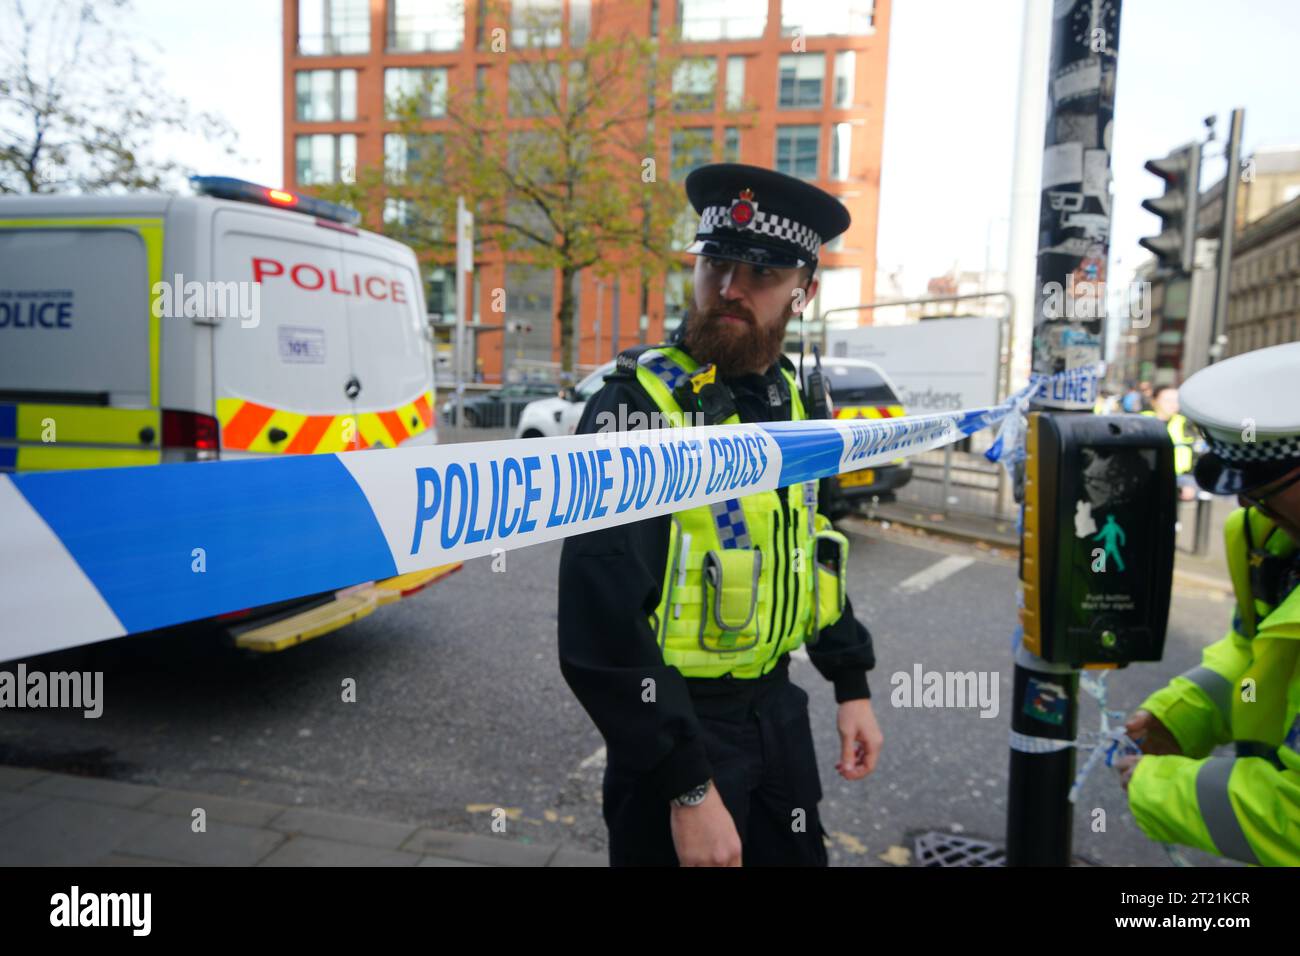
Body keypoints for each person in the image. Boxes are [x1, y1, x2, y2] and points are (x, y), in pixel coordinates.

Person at [557, 163, 882, 867]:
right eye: (716, 267)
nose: (730, 291)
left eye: (760, 275)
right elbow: (601, 619)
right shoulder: (636, 408)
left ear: (805, 291)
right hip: (676, 736)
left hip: (777, 716)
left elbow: (812, 548)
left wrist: (849, 681)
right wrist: (687, 789)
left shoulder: (798, 401)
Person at [1116, 341, 1300, 866]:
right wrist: (1182, 715)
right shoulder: (1271, 540)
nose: (1246, 502)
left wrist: (1156, 787)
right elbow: (1256, 657)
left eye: (1267, 484)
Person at [1142, 385, 1197, 500]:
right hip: (1147, 474)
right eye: (1167, 400)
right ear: (1154, 401)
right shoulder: (1141, 421)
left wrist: (1190, 480)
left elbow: (1195, 453)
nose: (1173, 404)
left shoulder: (1186, 424)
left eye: (1176, 400)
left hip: (1180, 476)